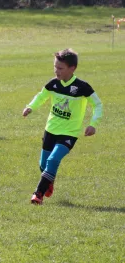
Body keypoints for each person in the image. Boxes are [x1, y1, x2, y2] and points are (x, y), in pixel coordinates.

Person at [23, 49, 103, 205]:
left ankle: (37, 194)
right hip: (50, 130)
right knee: (43, 164)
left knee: (53, 160)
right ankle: (49, 181)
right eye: (55, 67)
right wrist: (30, 107)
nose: (56, 71)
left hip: (69, 133)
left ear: (72, 68)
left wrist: (93, 124)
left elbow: (98, 105)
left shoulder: (82, 87)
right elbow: (41, 96)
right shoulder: (53, 84)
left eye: (60, 68)